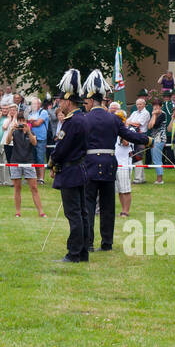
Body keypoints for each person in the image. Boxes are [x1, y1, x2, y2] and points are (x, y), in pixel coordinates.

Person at [81, 71, 148, 252]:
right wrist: (147, 140)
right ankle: (107, 243)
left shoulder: (85, 119)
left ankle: (88, 243)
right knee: (108, 206)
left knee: (88, 205)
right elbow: (129, 135)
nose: (85, 105)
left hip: (90, 165)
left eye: (86, 102)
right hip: (110, 165)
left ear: (91, 101)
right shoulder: (114, 118)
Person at [49, 71, 93, 263]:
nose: (59, 104)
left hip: (70, 171)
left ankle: (74, 252)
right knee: (82, 213)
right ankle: (82, 252)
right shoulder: (83, 118)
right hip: (80, 169)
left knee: (74, 214)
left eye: (61, 101)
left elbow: (61, 149)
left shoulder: (71, 122)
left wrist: (52, 163)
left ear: (68, 101)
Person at [3, 104, 44, 216]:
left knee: (34, 188)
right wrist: (11, 130)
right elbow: (7, 142)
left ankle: (41, 212)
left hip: (28, 162)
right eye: (19, 120)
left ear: (26, 121)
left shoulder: (32, 132)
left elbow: (34, 143)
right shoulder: (15, 131)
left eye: (23, 120)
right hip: (16, 161)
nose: (21, 123)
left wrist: (29, 131)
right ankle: (18, 212)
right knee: (17, 188)